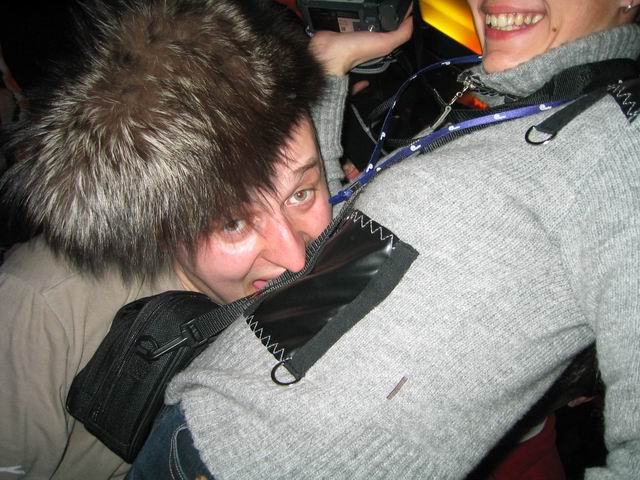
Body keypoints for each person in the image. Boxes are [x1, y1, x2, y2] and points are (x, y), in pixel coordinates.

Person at [128, 0, 640, 479]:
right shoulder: (526, 114)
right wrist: (329, 71)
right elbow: (331, 267)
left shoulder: (620, 143)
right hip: (193, 423)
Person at [0, 0, 412, 477]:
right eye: (233, 223)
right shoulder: (39, 306)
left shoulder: (276, 257)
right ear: (157, 219)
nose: (296, 258)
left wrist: (329, 67)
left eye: (301, 193)